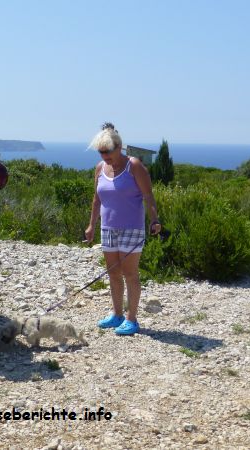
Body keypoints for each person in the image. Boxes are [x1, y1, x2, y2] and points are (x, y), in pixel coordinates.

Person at [85, 123, 161, 336]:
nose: (105, 157)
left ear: (119, 147)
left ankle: (132, 319)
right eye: (101, 153)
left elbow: (148, 196)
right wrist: (92, 225)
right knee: (113, 273)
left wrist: (154, 219)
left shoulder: (134, 166)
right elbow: (97, 198)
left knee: (130, 273)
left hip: (132, 228)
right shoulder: (100, 168)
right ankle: (117, 314)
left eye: (108, 152)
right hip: (108, 228)